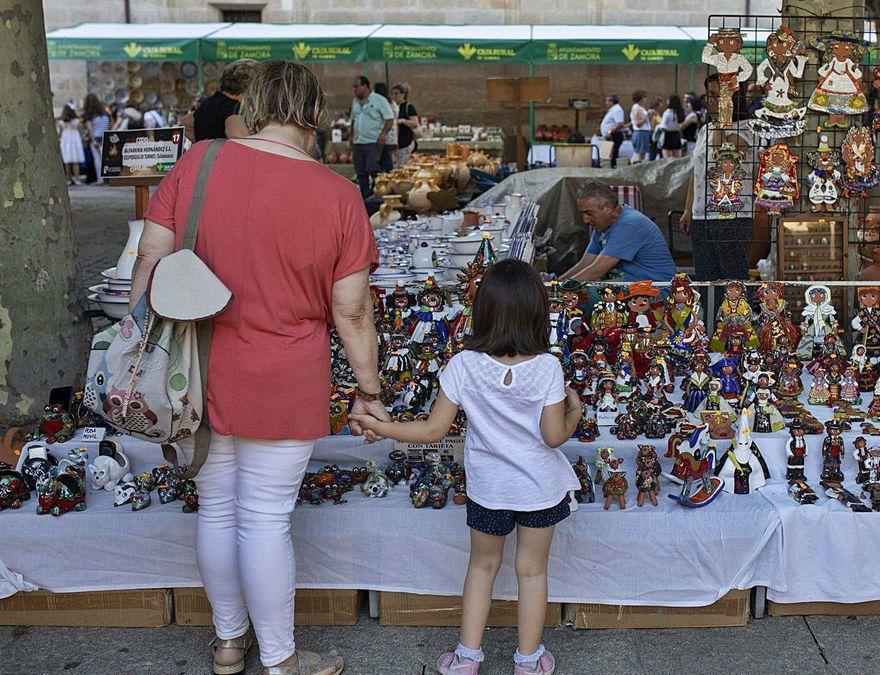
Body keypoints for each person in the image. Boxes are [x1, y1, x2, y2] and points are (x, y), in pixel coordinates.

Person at [132, 60, 387, 675]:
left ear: (256, 107)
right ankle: (279, 659)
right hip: (286, 371)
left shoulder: (200, 162)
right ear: (315, 116)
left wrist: (138, 341)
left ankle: (228, 644)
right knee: (266, 518)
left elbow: (150, 257)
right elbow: (351, 312)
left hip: (194, 365)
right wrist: (370, 388)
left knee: (216, 506)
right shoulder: (338, 194)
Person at [352, 259, 582, 675]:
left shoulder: (463, 365)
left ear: (482, 310)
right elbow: (553, 437)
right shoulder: (548, 367)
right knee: (532, 572)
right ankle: (528, 661)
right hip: (539, 490)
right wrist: (575, 413)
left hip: (488, 488)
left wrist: (382, 427)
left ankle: (466, 657)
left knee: (481, 567)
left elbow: (433, 430)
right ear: (536, 311)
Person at [679, 73, 753, 282]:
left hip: (733, 215)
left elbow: (723, 151)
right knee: (706, 276)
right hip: (701, 215)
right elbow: (697, 171)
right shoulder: (704, 130)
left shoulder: (747, 129)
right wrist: (688, 209)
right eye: (709, 95)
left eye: (717, 95)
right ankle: (709, 315)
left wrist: (723, 118)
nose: (711, 100)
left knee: (732, 277)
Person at [564, 180, 677, 282]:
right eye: (583, 214)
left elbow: (596, 271)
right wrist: (555, 283)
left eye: (589, 213)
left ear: (608, 207)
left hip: (656, 291)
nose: (585, 220)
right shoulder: (602, 226)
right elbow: (585, 264)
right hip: (631, 288)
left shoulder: (629, 225)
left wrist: (558, 290)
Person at [350, 75, 395, 199]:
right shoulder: (355, 101)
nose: (355, 89)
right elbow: (354, 120)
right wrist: (351, 137)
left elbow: (389, 119)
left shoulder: (379, 100)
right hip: (358, 141)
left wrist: (383, 134)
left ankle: (379, 192)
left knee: (372, 167)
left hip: (373, 141)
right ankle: (365, 197)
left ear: (366, 86)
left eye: (357, 86)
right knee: (360, 171)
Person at [189, 59, 255, 142]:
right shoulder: (233, 108)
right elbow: (236, 134)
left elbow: (186, 122)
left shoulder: (210, 102)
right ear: (250, 85)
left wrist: (203, 145)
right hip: (223, 154)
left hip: (204, 154)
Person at [83, 94, 110, 183]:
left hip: (96, 138)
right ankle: (108, 178)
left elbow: (90, 128)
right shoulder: (105, 113)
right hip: (106, 137)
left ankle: (100, 179)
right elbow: (111, 124)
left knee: (97, 159)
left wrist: (93, 139)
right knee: (106, 159)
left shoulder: (89, 115)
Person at [391, 83, 419, 167]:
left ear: (403, 94)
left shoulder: (408, 107)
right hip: (395, 142)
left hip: (405, 141)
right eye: (392, 94)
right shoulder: (392, 107)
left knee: (403, 166)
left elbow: (415, 123)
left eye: (396, 94)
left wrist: (403, 121)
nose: (394, 96)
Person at [57, 104, 85, 186]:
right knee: (75, 160)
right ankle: (77, 178)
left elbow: (59, 133)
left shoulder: (61, 122)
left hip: (65, 140)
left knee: (67, 161)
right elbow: (79, 130)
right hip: (75, 139)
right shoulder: (76, 121)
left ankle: (68, 179)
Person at [600, 93, 625, 168]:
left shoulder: (617, 110)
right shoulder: (613, 110)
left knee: (612, 154)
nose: (606, 102)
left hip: (614, 134)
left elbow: (620, 123)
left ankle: (612, 167)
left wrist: (610, 132)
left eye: (607, 101)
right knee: (609, 154)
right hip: (610, 135)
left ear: (612, 101)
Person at [376, 83, 396, 173]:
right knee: (387, 159)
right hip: (393, 136)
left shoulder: (381, 103)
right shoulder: (392, 103)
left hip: (384, 136)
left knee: (384, 160)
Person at [658, 94, 685, 158]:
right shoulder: (680, 112)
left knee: (667, 159)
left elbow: (663, 127)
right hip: (677, 135)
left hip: (668, 135)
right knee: (677, 159)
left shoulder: (667, 112)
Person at [628, 90, 651, 163]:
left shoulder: (641, 108)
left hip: (644, 132)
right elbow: (638, 123)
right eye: (644, 97)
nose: (646, 99)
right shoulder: (636, 108)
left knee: (642, 154)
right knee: (640, 154)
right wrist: (647, 116)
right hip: (641, 132)